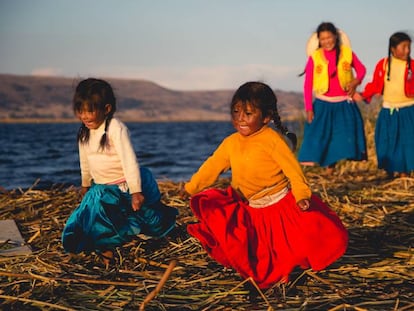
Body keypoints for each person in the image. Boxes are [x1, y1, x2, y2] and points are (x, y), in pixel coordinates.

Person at [182, 81, 348, 289]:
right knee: (252, 251)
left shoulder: (272, 140)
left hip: (279, 206)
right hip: (250, 208)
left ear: (266, 117)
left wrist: (302, 195)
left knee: (294, 246)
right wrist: (191, 188)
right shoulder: (231, 143)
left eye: (248, 113)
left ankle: (290, 270)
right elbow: (212, 166)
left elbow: (293, 170)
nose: (240, 118)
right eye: (236, 112)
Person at [61, 78, 178, 265]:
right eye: (80, 110)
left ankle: (155, 230)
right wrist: (85, 184)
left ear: (106, 109)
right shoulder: (84, 131)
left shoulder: (116, 128)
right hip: (102, 188)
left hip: (124, 185)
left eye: (90, 110)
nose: (84, 116)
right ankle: (105, 248)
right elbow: (85, 161)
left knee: (147, 218)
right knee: (94, 220)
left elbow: (129, 160)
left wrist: (136, 191)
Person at [298, 22, 367, 174]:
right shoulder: (315, 58)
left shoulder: (347, 53)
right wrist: (309, 108)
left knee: (341, 136)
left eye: (329, 37)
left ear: (335, 36)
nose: (327, 41)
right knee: (319, 135)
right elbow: (307, 84)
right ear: (319, 41)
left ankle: (331, 167)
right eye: (323, 39)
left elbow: (361, 70)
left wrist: (355, 82)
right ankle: (325, 166)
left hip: (344, 104)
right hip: (323, 104)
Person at [361, 32, 414, 178]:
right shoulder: (383, 65)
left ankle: (405, 173)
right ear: (392, 48)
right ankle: (389, 170)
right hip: (388, 111)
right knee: (386, 141)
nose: (407, 51)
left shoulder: (412, 66)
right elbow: (375, 84)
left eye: (409, 47)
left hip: (408, 110)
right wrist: (364, 95)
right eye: (403, 47)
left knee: (407, 142)